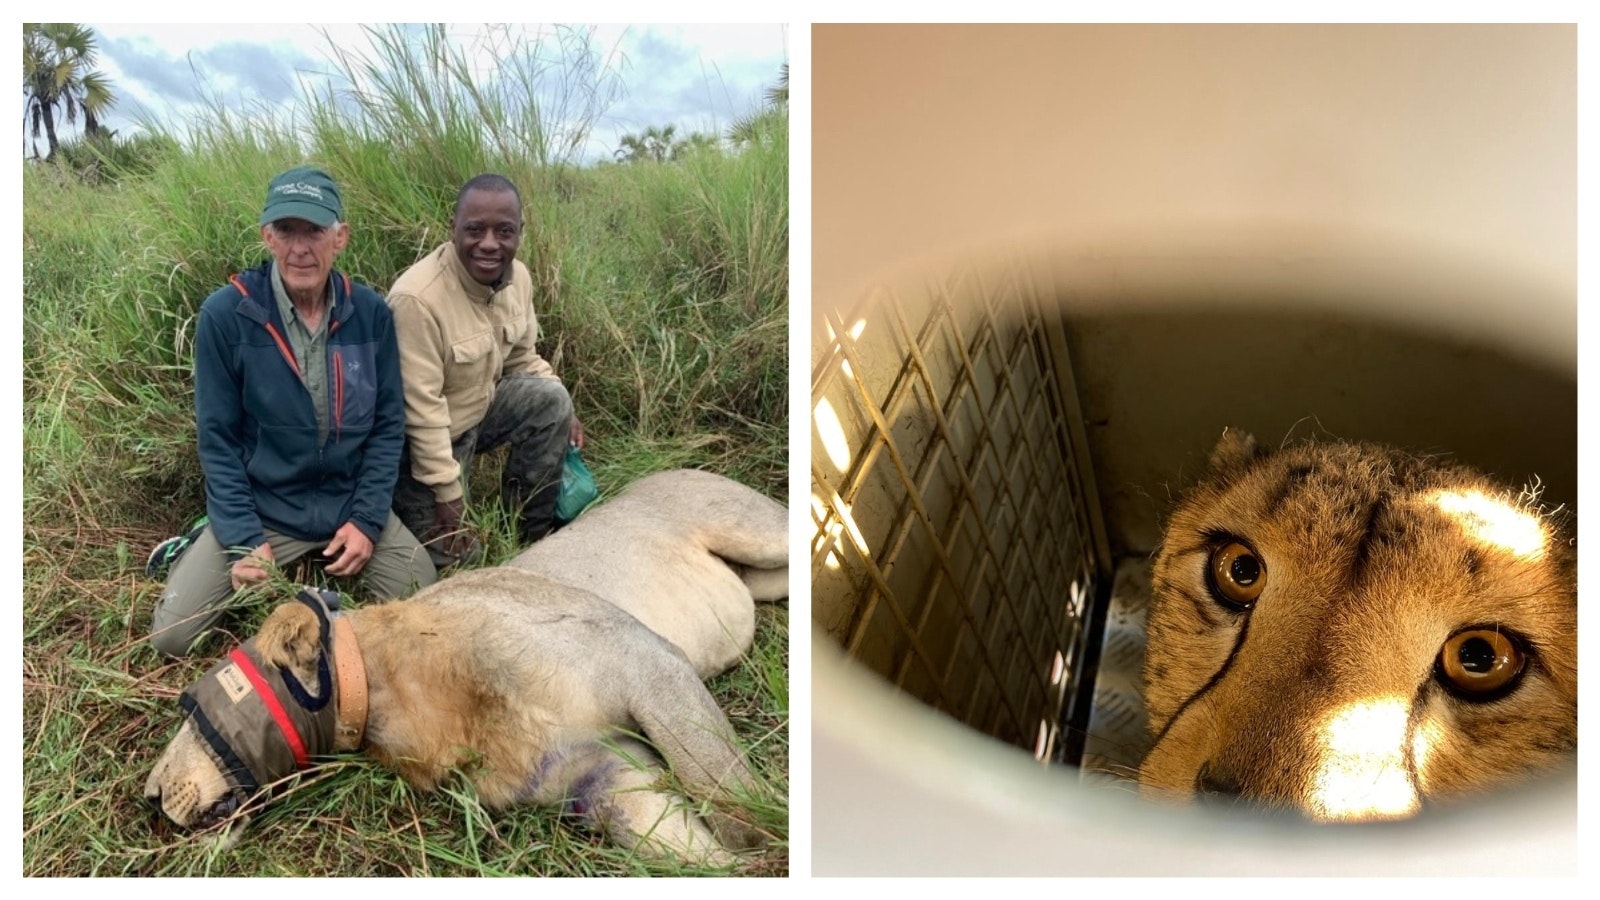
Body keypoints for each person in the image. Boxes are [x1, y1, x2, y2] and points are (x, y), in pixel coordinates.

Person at [149, 165, 436, 657]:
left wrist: (367, 522)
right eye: (286, 230)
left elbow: (389, 428)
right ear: (268, 236)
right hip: (266, 510)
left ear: (340, 237)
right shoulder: (226, 315)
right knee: (173, 638)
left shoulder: (370, 314)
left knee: (423, 613)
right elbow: (217, 441)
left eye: (315, 231)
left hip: (347, 503)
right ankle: (199, 541)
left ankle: (341, 545)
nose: (300, 248)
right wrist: (243, 539)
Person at [387, 173, 585, 566]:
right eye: (475, 230)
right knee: (466, 558)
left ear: (520, 233)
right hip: (421, 444)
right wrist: (448, 493)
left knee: (551, 400)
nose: (490, 244)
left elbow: (522, 357)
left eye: (504, 231)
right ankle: (418, 508)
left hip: (478, 412)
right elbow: (420, 412)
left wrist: (565, 406)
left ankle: (531, 533)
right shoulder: (416, 300)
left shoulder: (519, 278)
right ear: (454, 229)